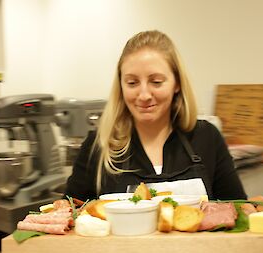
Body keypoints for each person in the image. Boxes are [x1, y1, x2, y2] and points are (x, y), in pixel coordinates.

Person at [64, 30, 247, 201]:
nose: (144, 95)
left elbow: (237, 209)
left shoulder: (207, 137)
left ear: (177, 84)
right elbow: (69, 215)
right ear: (121, 86)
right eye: (132, 82)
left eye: (156, 82)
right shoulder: (98, 146)